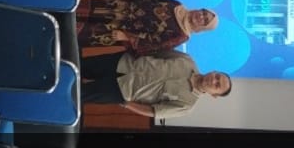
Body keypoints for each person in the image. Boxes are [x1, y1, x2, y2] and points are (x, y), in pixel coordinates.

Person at [80, 50, 232, 116]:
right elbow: (158, 52)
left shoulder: (187, 105)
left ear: (214, 95)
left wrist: (126, 104)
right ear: (214, 71)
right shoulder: (187, 60)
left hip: (122, 91)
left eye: (217, 85)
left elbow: (153, 111)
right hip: (122, 62)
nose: (213, 80)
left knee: (79, 93)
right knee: (79, 64)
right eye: (217, 76)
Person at [77, 0, 218, 54]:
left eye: (205, 20)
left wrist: (126, 37)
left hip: (120, 30)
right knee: (79, 7)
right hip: (117, 7)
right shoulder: (178, 6)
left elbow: (154, 45)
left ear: (202, 28)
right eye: (204, 12)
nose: (201, 16)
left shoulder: (181, 35)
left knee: (81, 32)